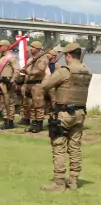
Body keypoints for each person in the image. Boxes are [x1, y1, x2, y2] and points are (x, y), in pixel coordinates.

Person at [40, 43, 93, 191]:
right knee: (75, 147)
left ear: (68, 56)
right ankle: (74, 181)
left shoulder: (65, 71)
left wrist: (48, 74)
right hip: (80, 113)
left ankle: (59, 182)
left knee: (59, 147)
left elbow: (45, 86)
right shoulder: (87, 70)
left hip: (63, 113)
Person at [22, 40, 49, 133]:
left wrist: (29, 72)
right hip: (29, 83)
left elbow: (40, 71)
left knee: (38, 105)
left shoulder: (43, 58)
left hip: (37, 84)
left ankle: (39, 123)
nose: (30, 49)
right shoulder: (31, 58)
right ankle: (33, 122)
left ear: (37, 48)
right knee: (31, 105)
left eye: (32, 47)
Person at [0, 39, 19, 129]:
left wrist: (12, 80)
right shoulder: (1, 57)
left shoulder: (11, 58)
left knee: (10, 101)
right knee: (3, 102)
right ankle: (5, 119)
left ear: (6, 47)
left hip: (8, 82)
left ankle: (10, 121)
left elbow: (16, 70)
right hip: (1, 82)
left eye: (1, 46)